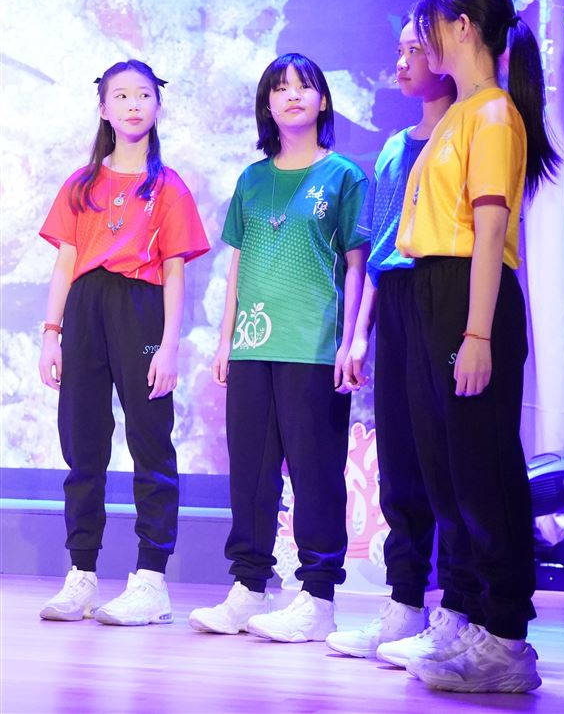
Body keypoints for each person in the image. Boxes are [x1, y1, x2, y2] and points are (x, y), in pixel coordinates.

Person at [377, 0, 560, 693]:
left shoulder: (492, 114)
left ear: (459, 26)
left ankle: (507, 638)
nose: (421, 42)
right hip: (432, 289)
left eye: (428, 26)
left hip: (467, 295)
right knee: (445, 468)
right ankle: (468, 615)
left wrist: (478, 333)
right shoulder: (461, 112)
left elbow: (489, 232)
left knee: (483, 468)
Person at [188, 53, 368, 642]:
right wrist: (224, 339)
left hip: (313, 346)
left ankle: (318, 597)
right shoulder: (251, 179)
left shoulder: (343, 176)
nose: (292, 95)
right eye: (280, 88)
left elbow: (357, 265)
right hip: (251, 344)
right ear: (266, 104)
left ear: (322, 100)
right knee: (251, 474)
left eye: (304, 86)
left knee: (316, 474)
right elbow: (238, 263)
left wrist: (352, 340)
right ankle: (248, 586)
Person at [38, 60, 210, 626]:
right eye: (122, 96)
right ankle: (82, 574)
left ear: (157, 106)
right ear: (104, 108)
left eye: (144, 95)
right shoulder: (81, 184)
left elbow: (176, 272)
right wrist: (51, 333)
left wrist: (170, 346)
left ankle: (151, 579)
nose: (133, 104)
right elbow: (65, 263)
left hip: (141, 309)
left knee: (150, 442)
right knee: (82, 444)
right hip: (85, 309)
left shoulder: (169, 186)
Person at [325, 18, 457, 659]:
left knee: (447, 458)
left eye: (415, 50)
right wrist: (359, 336)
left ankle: (459, 610)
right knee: (400, 458)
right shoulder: (392, 149)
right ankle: (405, 604)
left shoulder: (469, 131)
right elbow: (379, 249)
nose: (402, 63)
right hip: (397, 303)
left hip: (445, 294)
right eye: (399, 51)